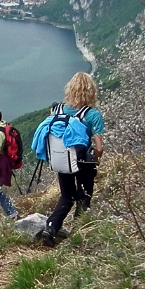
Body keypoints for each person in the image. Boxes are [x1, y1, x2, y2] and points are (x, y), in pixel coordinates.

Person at [39, 72, 103, 247]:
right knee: (84, 197)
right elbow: (99, 147)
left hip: (62, 161)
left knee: (66, 196)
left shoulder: (58, 110)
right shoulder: (92, 114)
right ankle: (78, 233)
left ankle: (50, 227)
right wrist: (96, 161)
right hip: (83, 162)